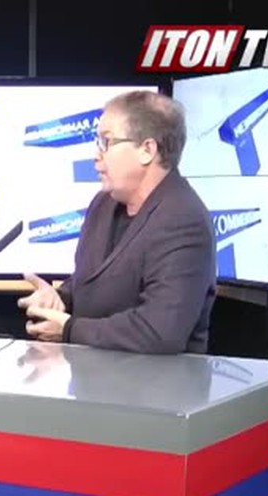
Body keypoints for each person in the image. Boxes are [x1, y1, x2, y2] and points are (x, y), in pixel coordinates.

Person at [19, 91, 216, 354]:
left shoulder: (183, 220)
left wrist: (69, 329)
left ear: (147, 150)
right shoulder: (103, 204)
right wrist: (60, 299)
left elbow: (159, 332)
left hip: (153, 380)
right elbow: (92, 285)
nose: (96, 155)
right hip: (91, 375)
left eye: (107, 142)